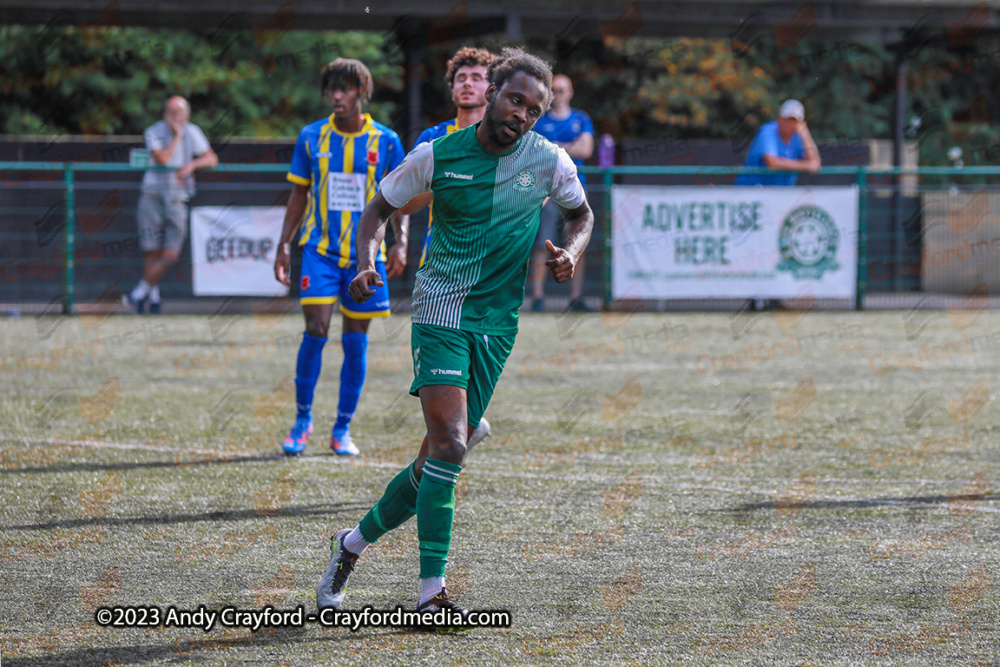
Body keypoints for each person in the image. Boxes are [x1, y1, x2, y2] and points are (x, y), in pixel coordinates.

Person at [317, 47, 594, 623]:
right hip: (440, 308)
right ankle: (431, 593)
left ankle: (352, 544)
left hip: (498, 323)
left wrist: (571, 249)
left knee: (434, 462)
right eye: (515, 99)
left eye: (534, 109)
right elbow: (377, 211)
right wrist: (364, 262)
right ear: (492, 92)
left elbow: (581, 213)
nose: (522, 113)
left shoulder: (549, 161)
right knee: (450, 444)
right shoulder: (436, 155)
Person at [274, 58, 408, 457]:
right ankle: (302, 421)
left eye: (346, 88)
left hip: (367, 257)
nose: (337, 95)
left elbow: (399, 198)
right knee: (315, 329)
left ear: (361, 93)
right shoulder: (311, 137)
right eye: (332, 88)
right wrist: (284, 242)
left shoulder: (386, 140)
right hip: (320, 251)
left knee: (355, 341)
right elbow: (299, 194)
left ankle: (342, 428)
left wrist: (400, 242)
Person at [398, 46, 497, 451]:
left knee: (464, 391)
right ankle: (453, 443)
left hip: (492, 279)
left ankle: (458, 437)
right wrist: (446, 176)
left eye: (476, 77)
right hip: (441, 277)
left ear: (492, 88)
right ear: (452, 88)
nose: (468, 84)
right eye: (461, 78)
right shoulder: (434, 139)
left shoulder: (511, 138)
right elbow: (405, 201)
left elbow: (537, 196)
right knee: (439, 387)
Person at [125, 96, 218, 313]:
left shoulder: (193, 131)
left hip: (177, 197)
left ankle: (140, 291)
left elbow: (212, 159)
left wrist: (192, 165)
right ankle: (153, 298)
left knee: (171, 254)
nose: (175, 117)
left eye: (179, 113)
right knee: (151, 250)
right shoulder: (154, 131)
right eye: (170, 112)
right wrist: (177, 136)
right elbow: (164, 159)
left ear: (187, 114)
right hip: (153, 196)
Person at [528, 74, 594, 313]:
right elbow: (534, 152)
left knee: (577, 243)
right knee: (540, 243)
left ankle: (575, 297)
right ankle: (538, 297)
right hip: (544, 190)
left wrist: (553, 148)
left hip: (575, 190)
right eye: (553, 90)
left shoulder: (581, 118)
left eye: (562, 89)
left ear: (571, 92)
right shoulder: (540, 121)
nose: (558, 94)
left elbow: (586, 149)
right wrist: (568, 148)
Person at [735, 99, 820, 186]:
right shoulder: (767, 132)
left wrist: (806, 135)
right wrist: (806, 166)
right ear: (779, 118)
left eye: (794, 120)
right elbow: (772, 163)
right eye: (787, 119)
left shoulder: (798, 136)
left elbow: (815, 163)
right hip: (750, 192)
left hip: (778, 194)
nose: (790, 124)